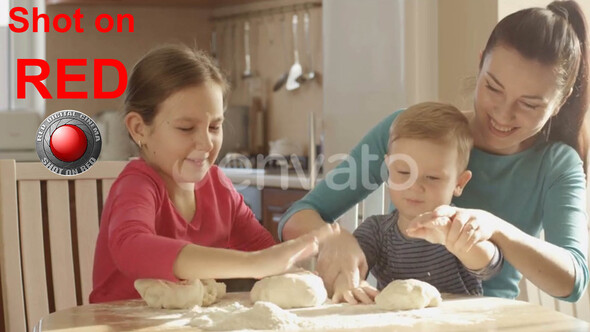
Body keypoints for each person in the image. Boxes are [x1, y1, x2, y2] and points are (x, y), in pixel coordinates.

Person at [280, 0, 589, 304]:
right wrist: (334, 239)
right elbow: (295, 217)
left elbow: (573, 281)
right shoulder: (409, 131)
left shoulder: (557, 164)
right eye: (493, 88)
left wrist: (496, 228)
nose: (504, 114)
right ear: (480, 64)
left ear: (559, 104)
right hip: (402, 316)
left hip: (490, 323)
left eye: (529, 104)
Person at [90, 45, 338, 303]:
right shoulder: (137, 185)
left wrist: (322, 270)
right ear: (139, 128)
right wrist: (253, 264)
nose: (206, 143)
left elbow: (268, 256)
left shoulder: (219, 188)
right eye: (186, 128)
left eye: (214, 126)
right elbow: (132, 249)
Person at [336, 102, 503, 304]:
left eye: (432, 177)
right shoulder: (377, 232)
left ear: (459, 183)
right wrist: (347, 281)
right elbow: (349, 265)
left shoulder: (461, 223)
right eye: (404, 173)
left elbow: (489, 264)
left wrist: (455, 241)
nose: (414, 187)